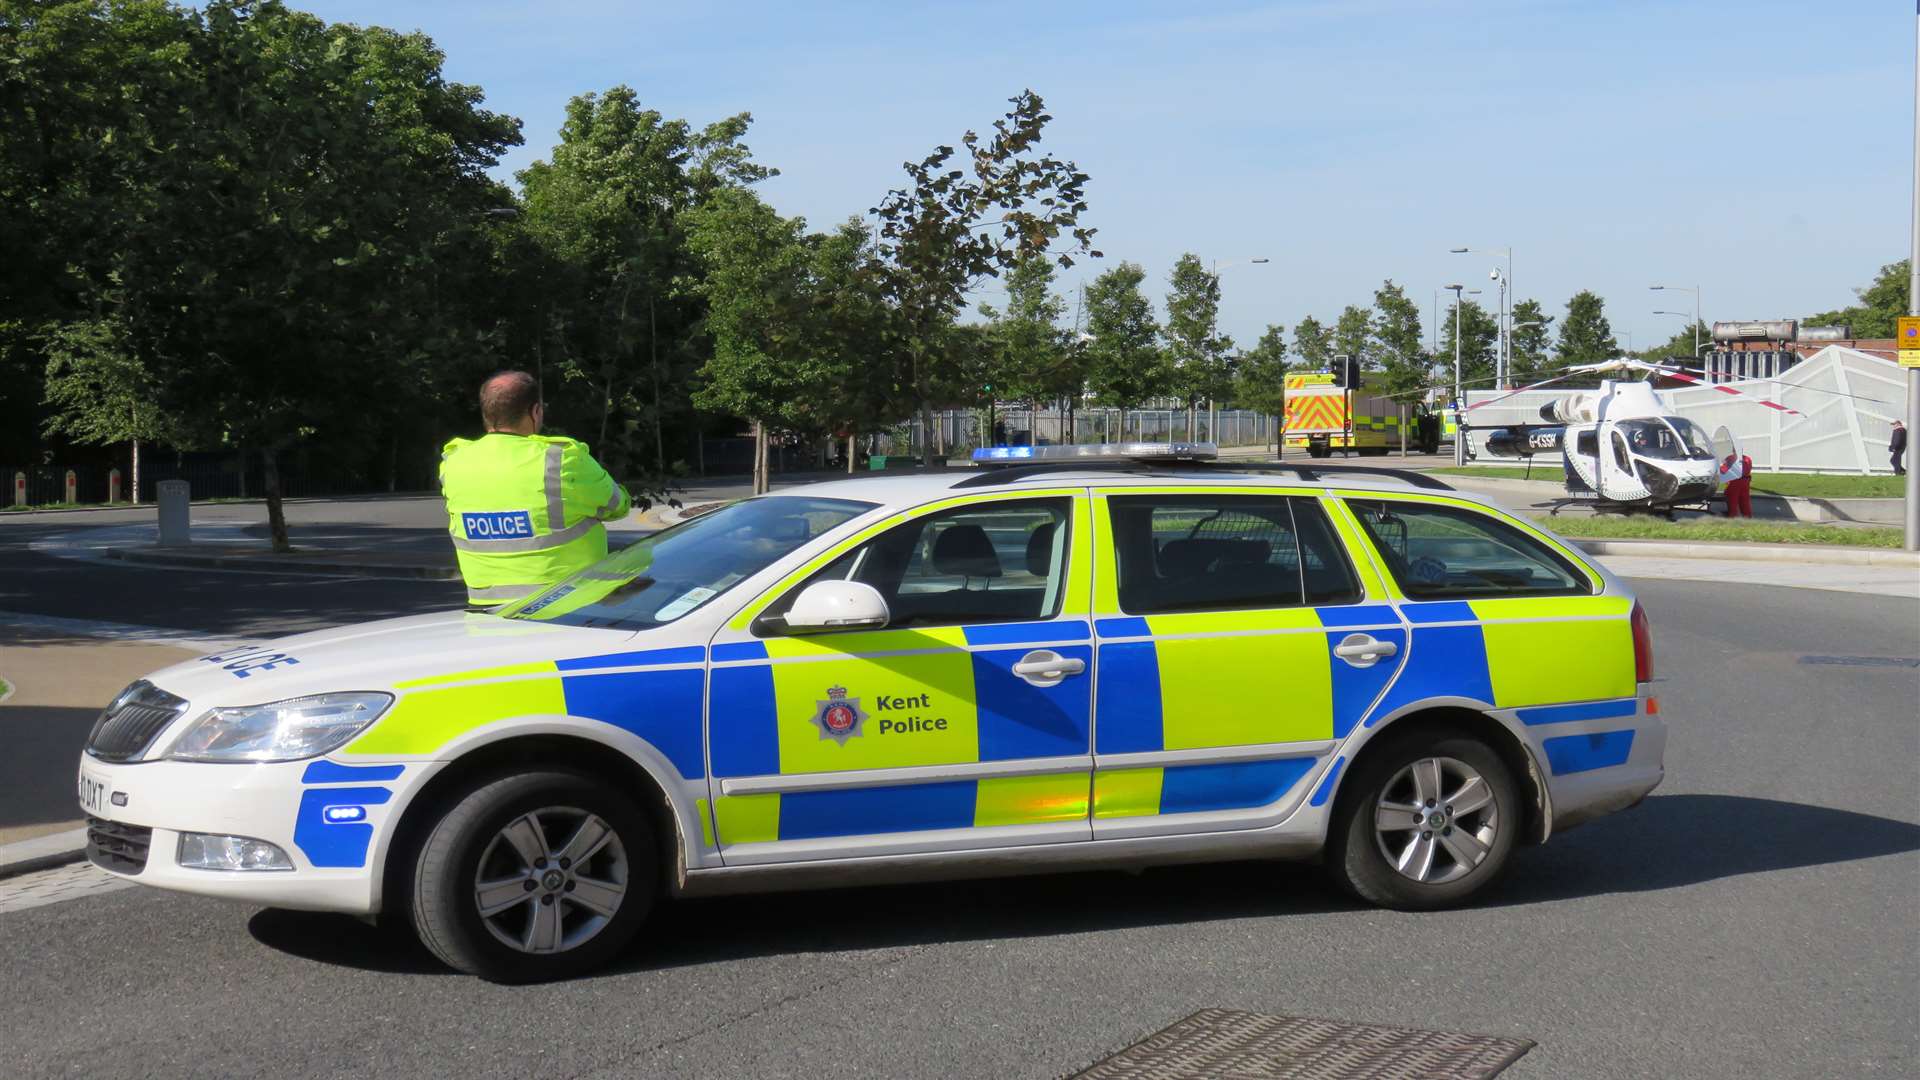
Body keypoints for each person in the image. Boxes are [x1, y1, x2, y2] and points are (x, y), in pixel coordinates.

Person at [440, 371, 631, 607]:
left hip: (485, 606)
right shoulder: (561, 459)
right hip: (567, 605)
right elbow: (617, 506)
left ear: (486, 412)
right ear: (535, 411)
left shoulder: (454, 461)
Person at [1719, 449, 1753, 518]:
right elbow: (1749, 469)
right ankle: (1747, 517)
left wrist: (1717, 468)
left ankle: (1732, 516)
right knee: (1745, 500)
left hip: (1735, 481)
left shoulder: (1731, 458)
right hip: (1745, 481)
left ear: (1733, 450)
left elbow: (1723, 470)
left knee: (1732, 499)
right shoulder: (1748, 458)